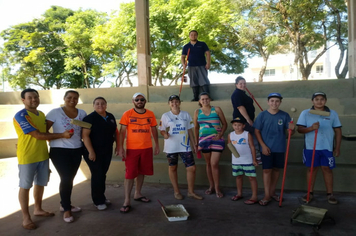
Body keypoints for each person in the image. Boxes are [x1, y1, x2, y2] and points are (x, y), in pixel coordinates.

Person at [13, 88, 73, 230]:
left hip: (43, 155)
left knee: (40, 183)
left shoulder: (41, 114)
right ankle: (26, 218)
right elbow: (38, 135)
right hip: (27, 156)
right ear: (23, 100)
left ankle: (38, 209)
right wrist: (62, 135)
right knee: (25, 186)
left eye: (36, 97)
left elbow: (45, 134)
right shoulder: (21, 115)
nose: (34, 100)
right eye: (30, 97)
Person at [46, 90, 87, 223]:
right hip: (59, 151)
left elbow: (85, 131)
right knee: (66, 178)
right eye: (69, 97)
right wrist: (59, 137)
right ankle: (67, 209)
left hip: (76, 150)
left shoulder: (82, 113)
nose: (72, 100)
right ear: (64, 98)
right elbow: (44, 131)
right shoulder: (54, 112)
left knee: (70, 179)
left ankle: (64, 203)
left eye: (75, 98)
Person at [297, 92, 342, 204]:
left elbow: (338, 130)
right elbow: (300, 129)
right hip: (310, 147)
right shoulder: (305, 113)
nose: (319, 101)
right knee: (312, 169)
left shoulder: (332, 114)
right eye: (316, 99)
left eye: (322, 99)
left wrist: (337, 147)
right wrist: (311, 128)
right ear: (312, 101)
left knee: (327, 169)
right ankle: (309, 193)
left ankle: (330, 194)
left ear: (325, 100)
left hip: (327, 147)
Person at [118, 92, 160, 213]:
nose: (139, 101)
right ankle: (127, 201)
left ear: (145, 101)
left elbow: (153, 130)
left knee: (142, 172)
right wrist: (120, 147)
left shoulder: (150, 114)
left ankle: (138, 194)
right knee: (130, 174)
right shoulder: (127, 114)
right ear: (133, 101)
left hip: (147, 148)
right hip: (132, 149)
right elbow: (122, 132)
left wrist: (156, 144)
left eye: (142, 99)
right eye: (137, 100)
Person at [254, 93, 295, 206]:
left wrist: (292, 129)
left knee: (276, 170)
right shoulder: (262, 115)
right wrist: (263, 146)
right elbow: (256, 131)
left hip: (280, 148)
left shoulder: (285, 115)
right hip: (266, 148)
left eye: (277, 101)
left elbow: (290, 132)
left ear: (280, 102)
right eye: (272, 101)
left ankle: (272, 192)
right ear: (268, 102)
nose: (274, 103)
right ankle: (267, 195)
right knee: (267, 170)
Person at [159, 95, 203, 200]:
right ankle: (176, 191)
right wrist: (164, 134)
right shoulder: (165, 116)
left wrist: (194, 144)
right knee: (173, 167)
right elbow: (162, 129)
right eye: (172, 102)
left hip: (185, 146)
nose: (174, 104)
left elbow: (190, 130)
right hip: (171, 146)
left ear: (179, 103)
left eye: (176, 101)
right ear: (169, 104)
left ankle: (191, 192)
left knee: (191, 168)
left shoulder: (186, 114)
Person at [82, 97, 119, 210]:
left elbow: (115, 132)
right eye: (97, 103)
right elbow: (85, 136)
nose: (100, 105)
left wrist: (118, 145)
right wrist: (91, 152)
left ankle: (101, 197)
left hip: (107, 150)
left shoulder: (110, 116)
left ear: (106, 105)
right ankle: (98, 201)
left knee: (102, 174)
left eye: (103, 103)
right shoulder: (89, 118)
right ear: (93, 105)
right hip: (93, 152)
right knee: (97, 174)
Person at [193, 92, 227, 198]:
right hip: (204, 141)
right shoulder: (197, 111)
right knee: (208, 164)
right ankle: (211, 186)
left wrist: (221, 134)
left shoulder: (216, 109)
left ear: (210, 99)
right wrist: (196, 142)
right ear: (199, 101)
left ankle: (217, 188)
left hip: (217, 140)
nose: (205, 101)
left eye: (206, 99)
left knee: (214, 163)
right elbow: (196, 128)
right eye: (202, 99)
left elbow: (225, 124)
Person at [231, 76, 261, 164]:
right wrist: (248, 119)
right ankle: (257, 156)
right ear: (236, 84)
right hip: (243, 121)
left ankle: (253, 156)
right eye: (240, 83)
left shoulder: (242, 93)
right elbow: (240, 107)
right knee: (253, 135)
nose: (243, 85)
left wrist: (250, 98)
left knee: (250, 137)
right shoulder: (237, 94)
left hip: (246, 120)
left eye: (244, 83)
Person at [228, 117, 258, 205]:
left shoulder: (247, 134)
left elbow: (252, 146)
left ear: (243, 126)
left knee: (251, 177)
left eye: (239, 125)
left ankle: (254, 196)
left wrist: (254, 159)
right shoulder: (231, 135)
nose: (237, 127)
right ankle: (239, 193)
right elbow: (229, 145)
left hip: (247, 160)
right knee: (238, 177)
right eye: (235, 125)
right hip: (236, 161)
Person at [181, 30, 211, 101]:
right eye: (191, 35)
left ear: (197, 36)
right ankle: (196, 97)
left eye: (195, 35)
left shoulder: (202, 44)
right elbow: (183, 57)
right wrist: (183, 64)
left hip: (201, 65)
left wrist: (208, 63)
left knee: (204, 80)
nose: (193, 36)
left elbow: (208, 53)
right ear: (189, 36)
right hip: (191, 66)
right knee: (193, 81)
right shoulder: (186, 46)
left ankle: (208, 97)